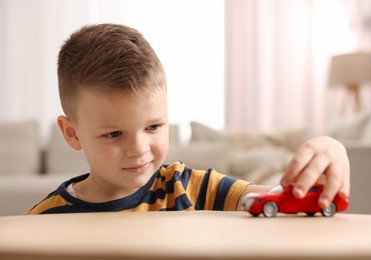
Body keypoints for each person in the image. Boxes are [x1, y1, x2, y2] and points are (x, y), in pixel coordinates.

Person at [26, 24, 350, 214]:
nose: (139, 149)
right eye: (114, 134)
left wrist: (329, 153)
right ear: (71, 133)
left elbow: (281, 202)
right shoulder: (44, 219)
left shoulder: (190, 187)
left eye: (153, 126)